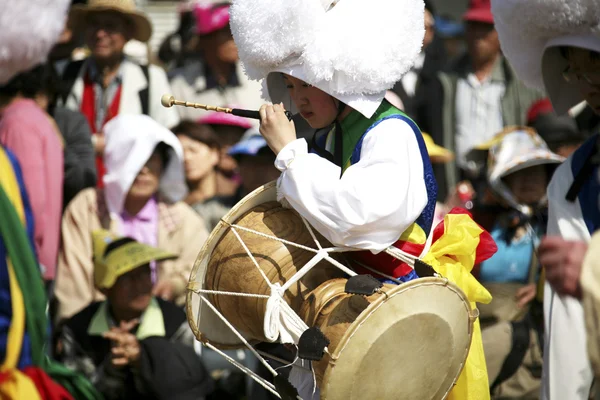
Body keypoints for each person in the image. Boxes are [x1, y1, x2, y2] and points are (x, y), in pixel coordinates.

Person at [230, 0, 496, 398]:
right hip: (351, 308)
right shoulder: (329, 135)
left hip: (400, 307)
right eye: (291, 84)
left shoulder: (391, 132)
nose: (297, 98)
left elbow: (357, 218)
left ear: (338, 78)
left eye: (308, 84)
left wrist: (290, 156)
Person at [490, 0, 600, 398]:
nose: (588, 81)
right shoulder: (575, 179)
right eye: (575, 66)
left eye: (595, 60)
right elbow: (567, 330)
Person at [54, 114, 208, 322]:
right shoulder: (87, 208)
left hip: (164, 329)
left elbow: (200, 268)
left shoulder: (184, 219)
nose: (144, 170)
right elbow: (73, 285)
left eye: (152, 159)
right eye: (135, 159)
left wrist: (176, 284)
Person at [56, 231, 214, 400]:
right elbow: (75, 390)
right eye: (127, 277)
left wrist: (144, 357)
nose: (139, 284)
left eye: (145, 273)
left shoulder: (176, 321)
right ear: (106, 287)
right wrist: (113, 368)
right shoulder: (78, 330)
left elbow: (191, 381)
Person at [423, 0, 544, 201]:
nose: (478, 36)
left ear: (500, 33)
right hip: (459, 183)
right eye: (472, 26)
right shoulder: (446, 80)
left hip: (505, 183)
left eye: (486, 28)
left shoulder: (519, 83)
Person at [474, 127, 563, 399]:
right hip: (480, 333)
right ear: (502, 180)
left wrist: (543, 287)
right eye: (519, 173)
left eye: (536, 172)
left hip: (532, 342)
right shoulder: (479, 223)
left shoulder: (559, 223)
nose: (529, 180)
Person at [59, 0, 180, 186]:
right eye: (94, 25)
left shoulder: (151, 78)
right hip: (72, 189)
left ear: (128, 33)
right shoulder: (65, 74)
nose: (100, 34)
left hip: (130, 194)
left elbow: (165, 137)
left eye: (110, 26)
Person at [0, 66, 64, 285]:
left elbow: (30, 199)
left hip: (23, 262)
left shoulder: (17, 121)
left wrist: (27, 251)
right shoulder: (29, 117)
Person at [168, 2, 263, 121]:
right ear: (204, 40)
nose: (235, 38)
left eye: (238, 31)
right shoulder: (179, 87)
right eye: (225, 31)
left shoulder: (259, 81)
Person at [174, 120, 228, 232]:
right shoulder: (172, 204)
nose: (186, 158)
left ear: (214, 153)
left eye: (193, 150)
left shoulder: (236, 195)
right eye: (179, 152)